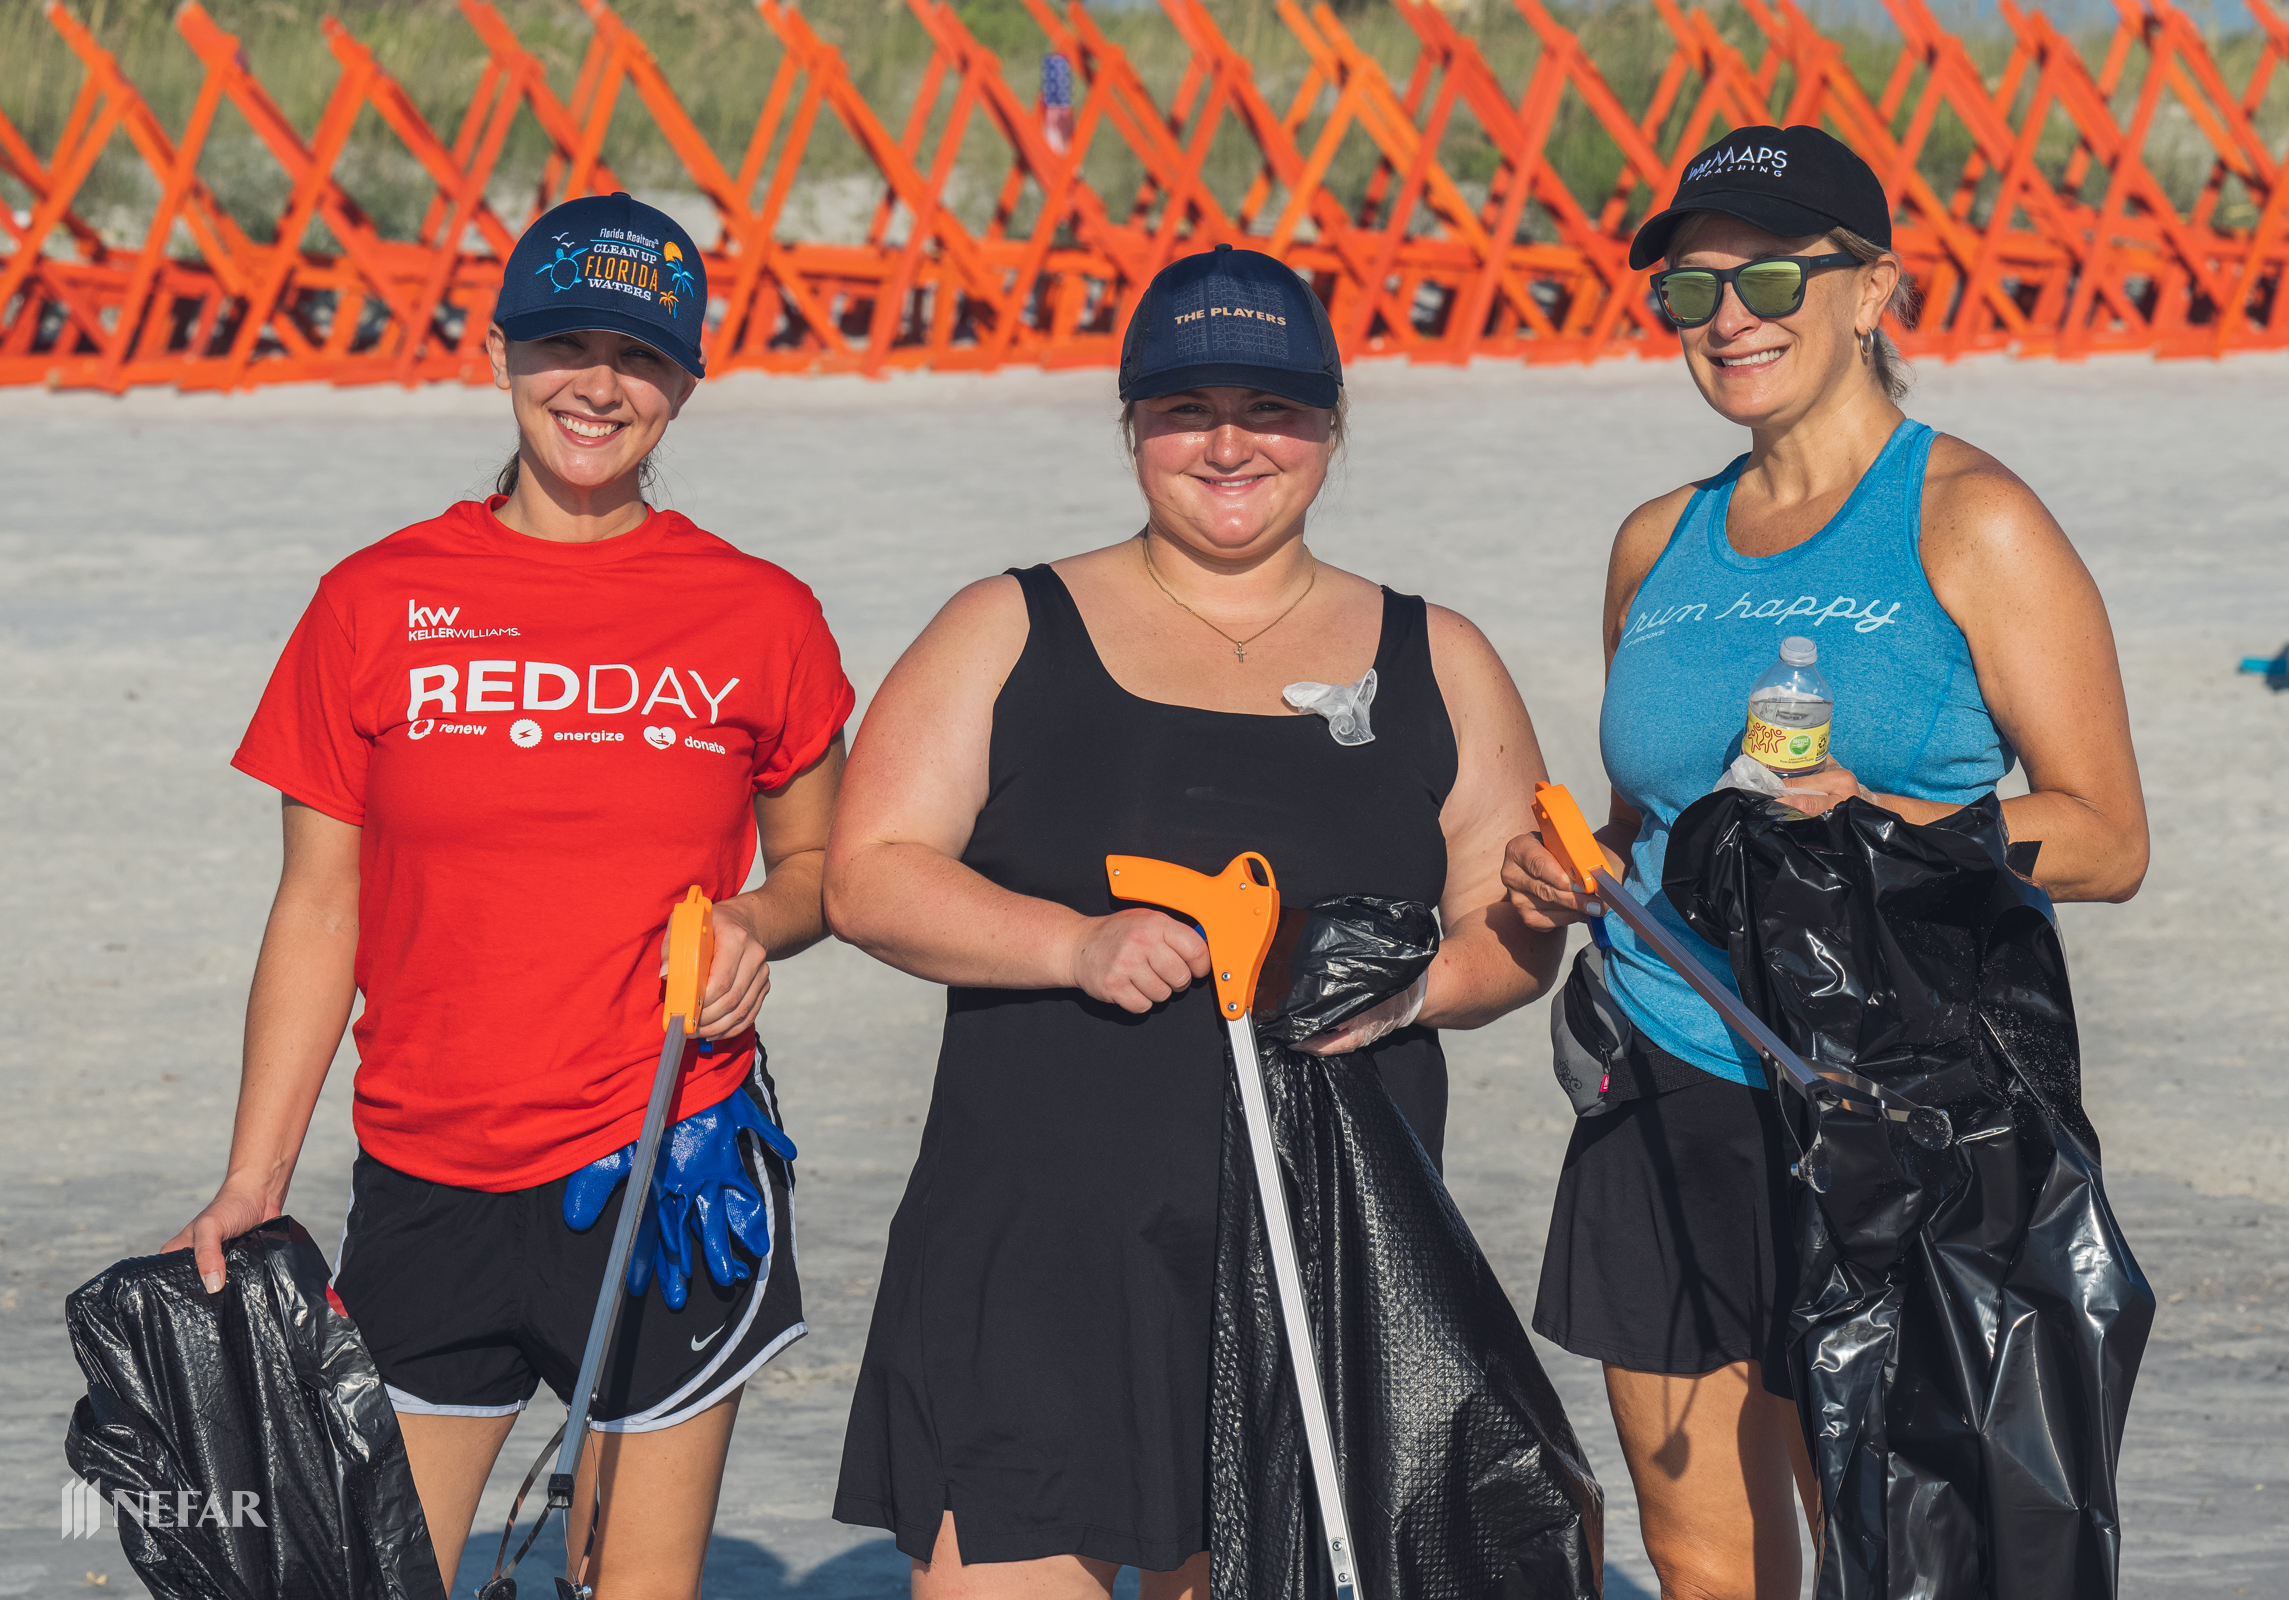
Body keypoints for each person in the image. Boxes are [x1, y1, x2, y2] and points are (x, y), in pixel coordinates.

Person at [823, 244, 1564, 1599]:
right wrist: (1071, 944)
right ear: (1132, 426)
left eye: (1271, 408)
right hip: (1040, 1250)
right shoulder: (1007, 624)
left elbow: (1511, 931)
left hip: (1323, 1250)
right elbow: (870, 873)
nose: (1230, 445)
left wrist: (1415, 994)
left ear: (1332, 423)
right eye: (1186, 410)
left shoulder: (1438, 655)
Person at [161, 192, 855, 1597]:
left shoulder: (761, 612)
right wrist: (256, 1176)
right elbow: (320, 907)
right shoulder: (374, 599)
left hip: (665, 1165)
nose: (598, 386)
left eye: (640, 356)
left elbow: (824, 870)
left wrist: (757, 923)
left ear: (685, 383)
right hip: (429, 1173)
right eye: (564, 346)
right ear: (499, 353)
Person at [1501, 126, 2148, 1600]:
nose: (1730, 316)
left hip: (1886, 1093)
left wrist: (1885, 825)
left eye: (1775, 276)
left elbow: (2108, 835)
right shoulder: (1656, 542)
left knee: (1899, 1544)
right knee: (1699, 1560)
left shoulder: (1971, 519)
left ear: (1875, 293)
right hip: (1667, 1075)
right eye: (1692, 287)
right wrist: (1571, 868)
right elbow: (1651, 819)